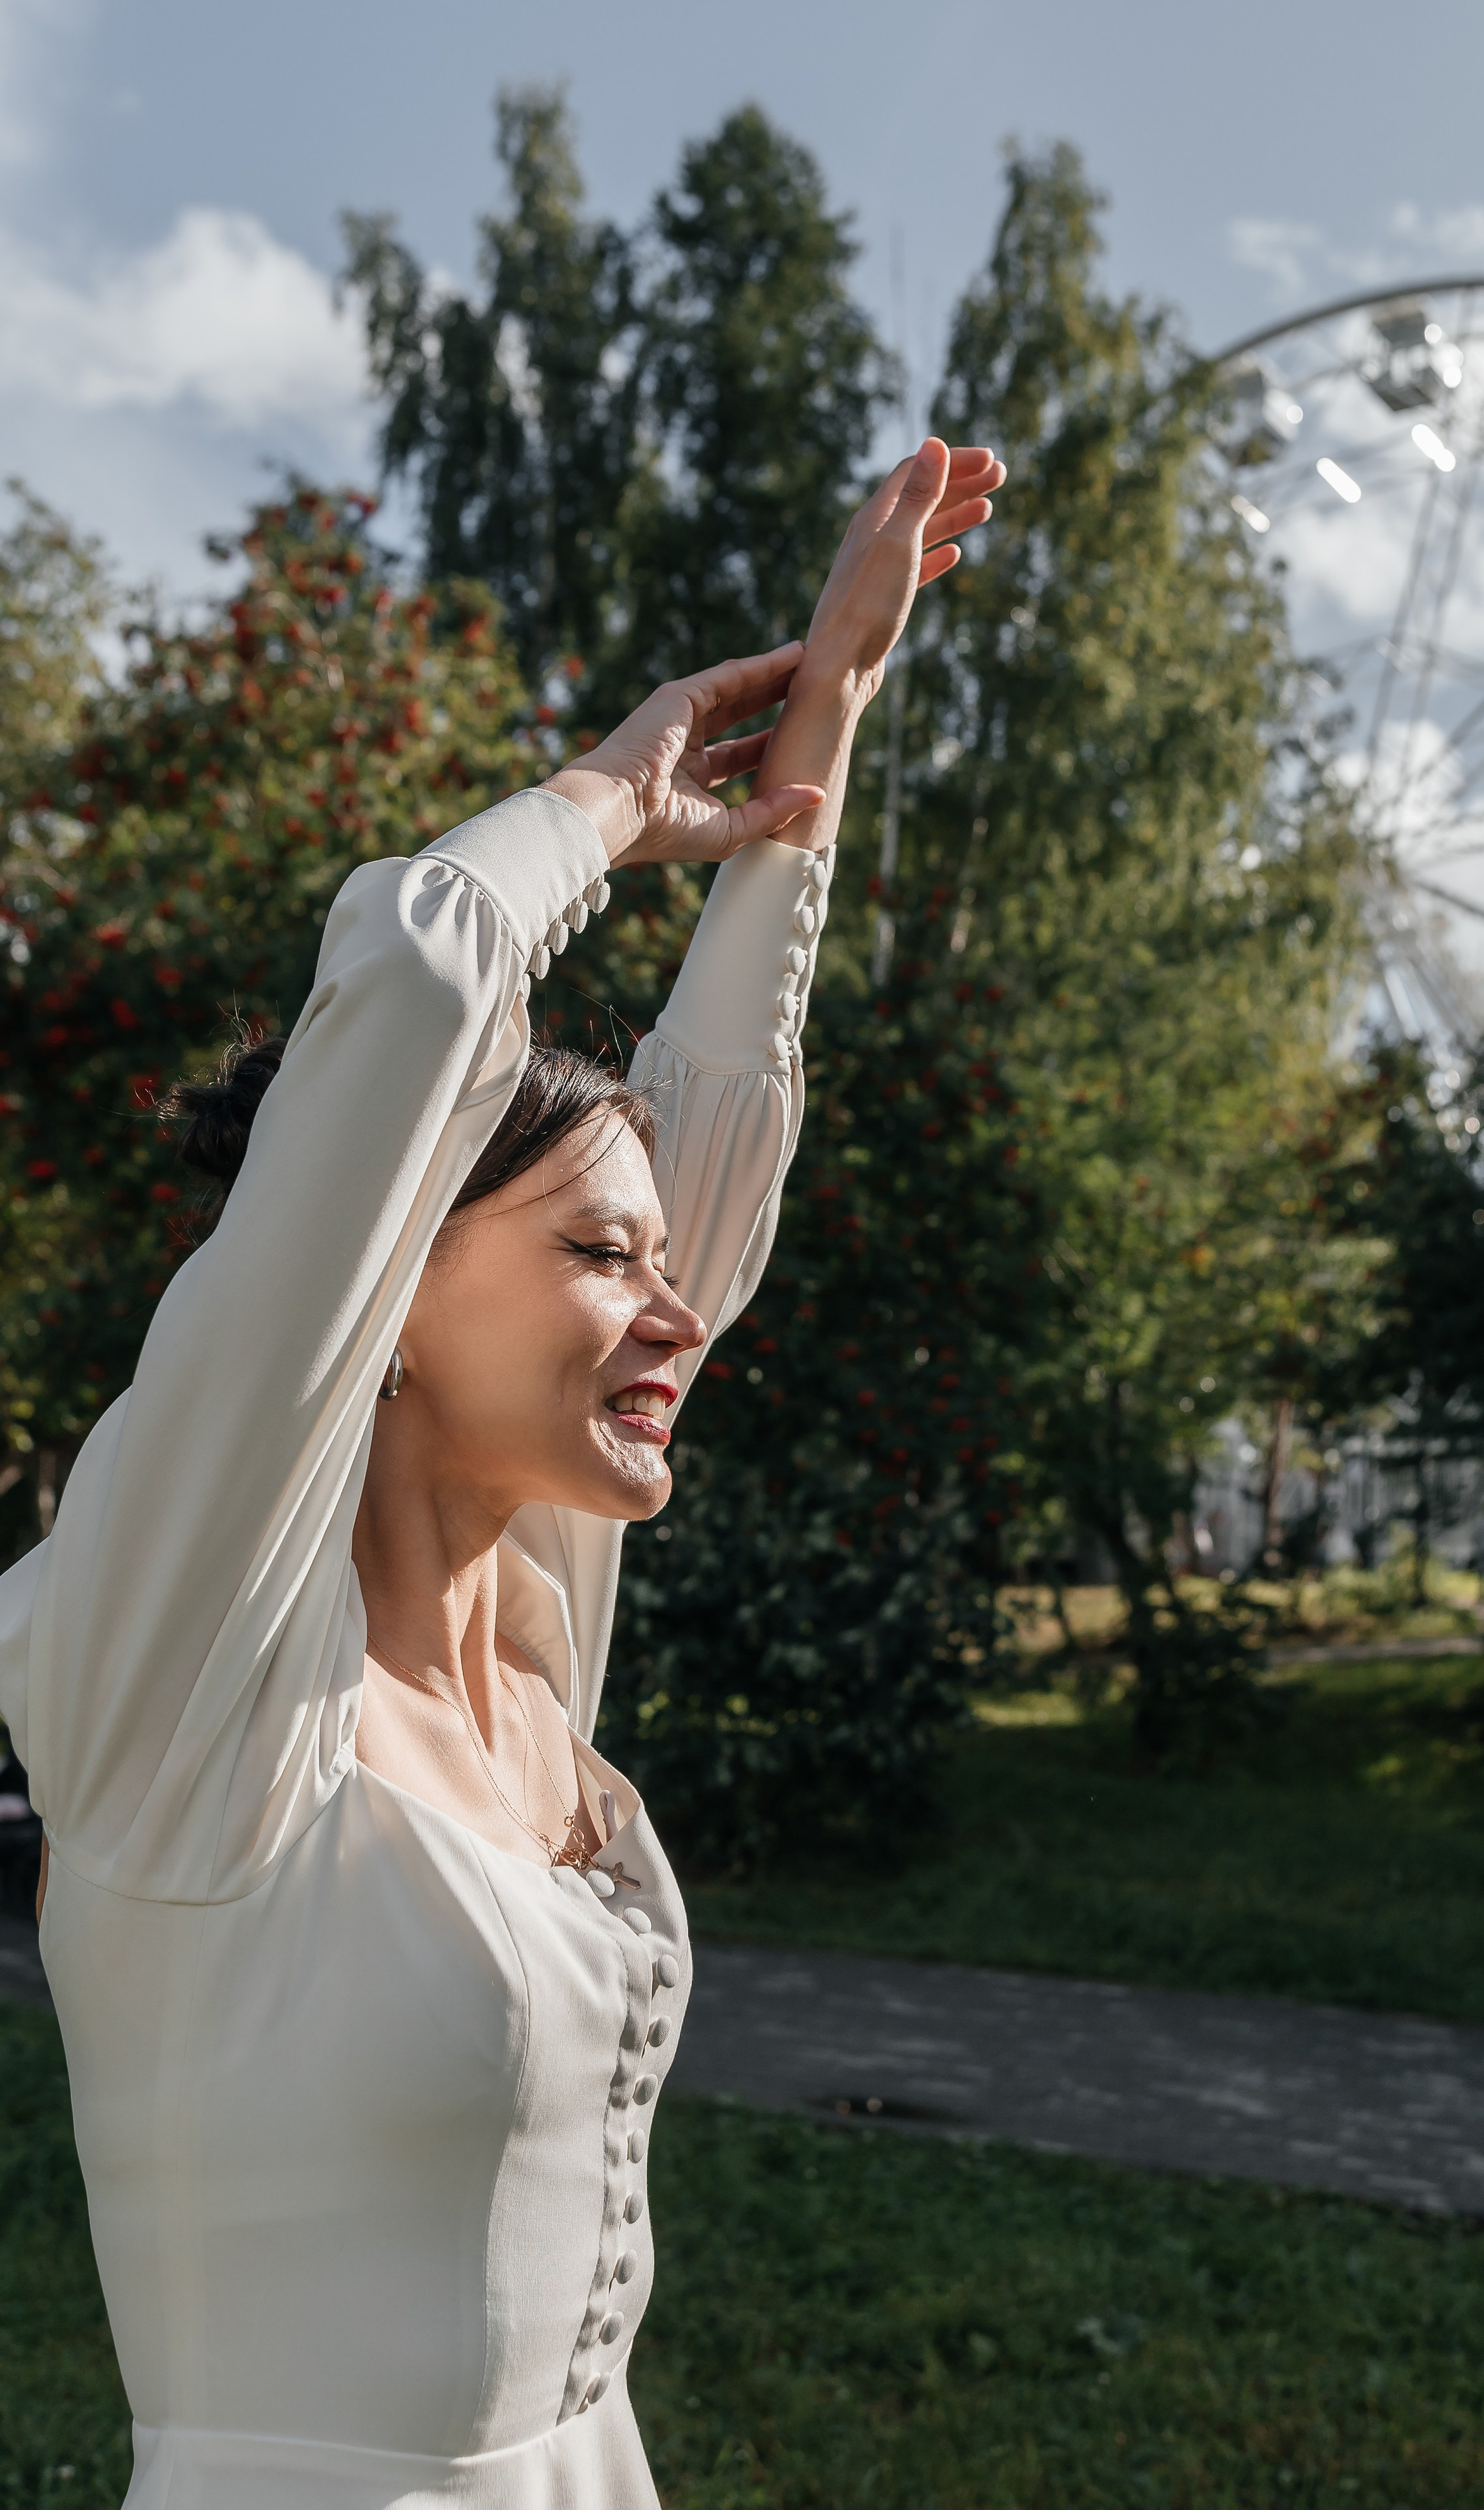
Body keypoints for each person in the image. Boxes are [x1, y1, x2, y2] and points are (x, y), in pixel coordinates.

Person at [0, 437, 1003, 2509]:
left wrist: (824, 727)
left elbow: (714, 1131)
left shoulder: (534, 1640)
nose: (675, 1309)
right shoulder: (185, 1695)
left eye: (657, 1261)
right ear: (381, 1286)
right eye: (598, 1258)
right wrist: (611, 801)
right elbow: (424, 984)